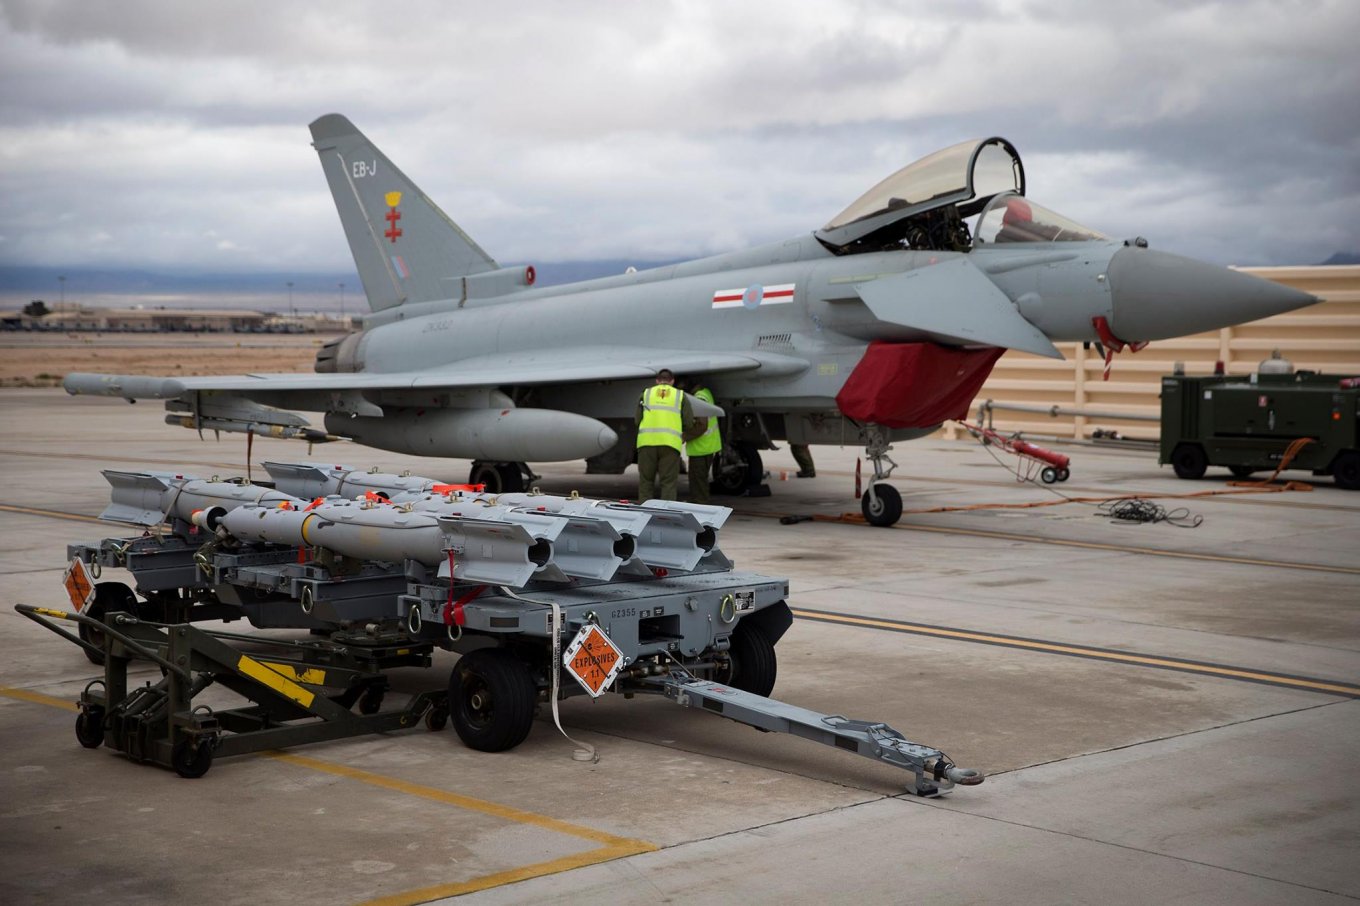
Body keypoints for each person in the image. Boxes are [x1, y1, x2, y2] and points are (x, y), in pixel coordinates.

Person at [635, 369, 693, 501]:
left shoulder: (646, 394)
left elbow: (637, 420)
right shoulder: (680, 395)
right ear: (672, 381)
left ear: (657, 381)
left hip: (646, 443)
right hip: (670, 444)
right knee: (668, 483)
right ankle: (665, 516)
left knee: (646, 482)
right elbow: (689, 422)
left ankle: (644, 513)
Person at [684, 378, 722, 504]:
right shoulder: (706, 392)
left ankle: (700, 509)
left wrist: (683, 437)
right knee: (701, 482)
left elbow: (701, 425)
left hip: (701, 448)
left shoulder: (699, 398)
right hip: (707, 447)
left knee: (698, 485)